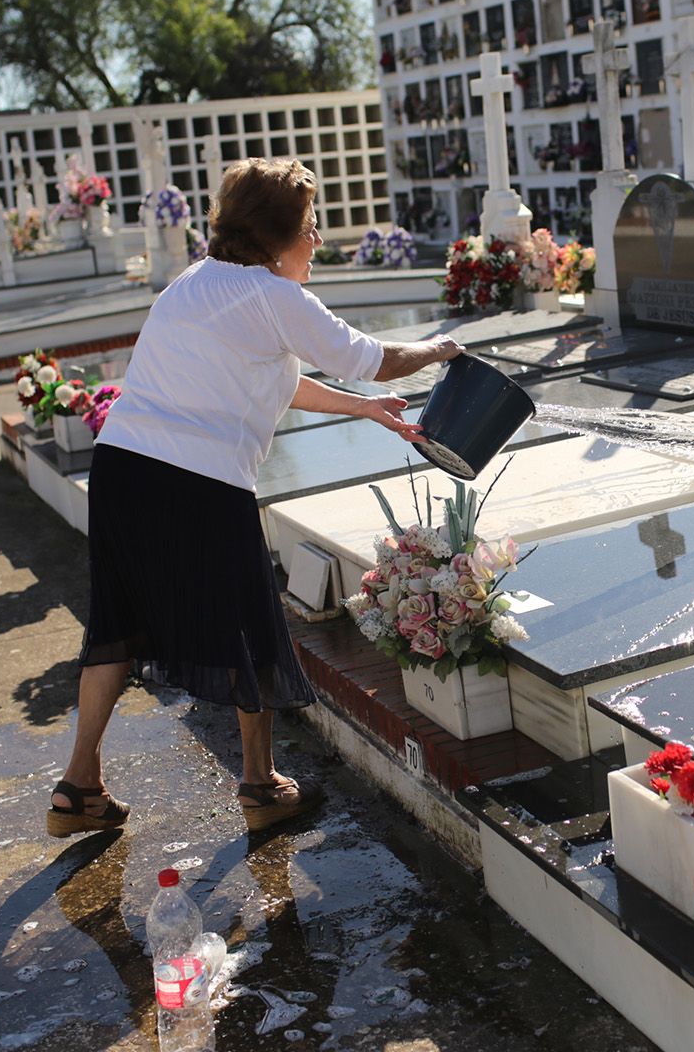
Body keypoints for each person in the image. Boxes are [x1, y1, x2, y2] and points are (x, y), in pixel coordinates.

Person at [47, 159, 461, 838]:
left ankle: (78, 786)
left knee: (116, 624)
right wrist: (441, 346)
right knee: (249, 623)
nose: (319, 240)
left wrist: (364, 411)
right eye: (310, 226)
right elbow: (371, 355)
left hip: (123, 468)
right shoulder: (275, 295)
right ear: (278, 234)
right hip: (198, 479)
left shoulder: (194, 285)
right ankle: (262, 784)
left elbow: (278, 381)